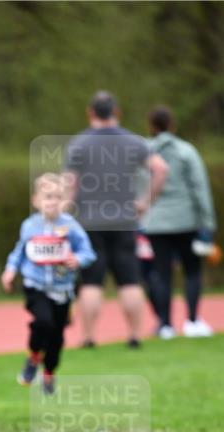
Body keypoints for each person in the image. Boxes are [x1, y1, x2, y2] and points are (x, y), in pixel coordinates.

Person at [64, 90, 168, 348]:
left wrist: (64, 214)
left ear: (90, 113)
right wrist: (145, 202)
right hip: (125, 221)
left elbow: (70, 183)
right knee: (130, 280)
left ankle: (88, 337)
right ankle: (134, 335)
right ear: (117, 112)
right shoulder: (133, 142)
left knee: (91, 282)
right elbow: (160, 168)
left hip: (89, 222)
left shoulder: (79, 143)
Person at [1, 174, 95, 394]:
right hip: (36, 285)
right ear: (36, 200)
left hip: (62, 290)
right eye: (48, 197)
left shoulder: (71, 227)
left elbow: (88, 252)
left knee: (57, 336)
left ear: (65, 201)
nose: (53, 202)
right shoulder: (29, 226)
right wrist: (10, 270)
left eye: (58, 197)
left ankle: (49, 373)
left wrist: (77, 259)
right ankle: (34, 356)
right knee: (43, 322)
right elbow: (19, 251)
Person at [142, 105, 217, 338]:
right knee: (192, 271)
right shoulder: (186, 151)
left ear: (151, 126)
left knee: (161, 273)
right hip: (186, 221)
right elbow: (200, 188)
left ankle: (165, 325)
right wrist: (208, 222)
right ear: (172, 125)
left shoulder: (143, 153)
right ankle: (192, 321)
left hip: (155, 222)